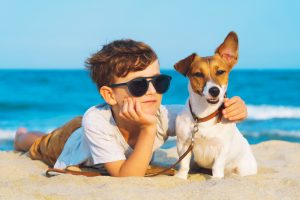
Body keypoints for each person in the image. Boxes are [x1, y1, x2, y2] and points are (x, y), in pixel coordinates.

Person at [14, 39, 248, 177]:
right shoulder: (97, 122)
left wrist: (236, 108)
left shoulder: (166, 115)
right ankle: (21, 135)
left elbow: (203, 118)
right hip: (74, 139)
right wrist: (148, 129)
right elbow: (127, 176)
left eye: (159, 82)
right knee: (38, 144)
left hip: (97, 129)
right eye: (138, 86)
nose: (152, 92)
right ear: (109, 94)